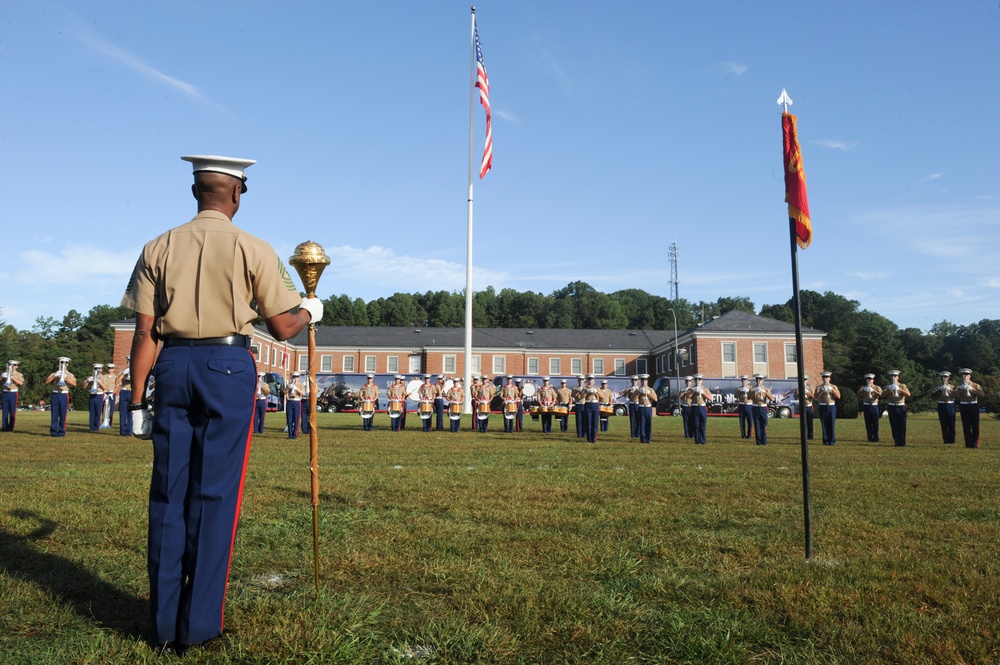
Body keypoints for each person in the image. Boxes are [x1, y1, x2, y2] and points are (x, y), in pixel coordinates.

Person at [121, 154, 321, 653]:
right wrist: (311, 307)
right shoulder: (254, 248)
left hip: (170, 366)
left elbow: (143, 333)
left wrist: (137, 400)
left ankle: (164, 627)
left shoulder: (157, 246)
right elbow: (282, 326)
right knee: (215, 498)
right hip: (227, 366)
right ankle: (200, 625)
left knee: (168, 495)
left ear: (195, 192)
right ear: (236, 194)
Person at [45, 357, 77, 436]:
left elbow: (74, 384)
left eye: (64, 363)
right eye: (61, 362)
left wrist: (66, 377)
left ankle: (62, 431)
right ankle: (53, 431)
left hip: (64, 394)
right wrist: (55, 375)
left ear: (67, 364)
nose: (63, 364)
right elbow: (46, 382)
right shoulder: (54, 373)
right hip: (55, 393)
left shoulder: (70, 374)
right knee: (54, 413)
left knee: (63, 414)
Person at [955, 368, 985, 448]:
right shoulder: (958, 385)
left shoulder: (975, 385)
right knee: (966, 425)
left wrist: (972, 390)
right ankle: (968, 443)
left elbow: (982, 394)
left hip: (973, 405)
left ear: (970, 376)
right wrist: (960, 389)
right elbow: (952, 396)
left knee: (975, 425)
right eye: (963, 375)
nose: (965, 376)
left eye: (966, 375)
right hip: (964, 405)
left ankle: (975, 443)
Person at [883, 370, 911, 447]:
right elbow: (882, 395)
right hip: (892, 406)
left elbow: (908, 394)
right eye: (891, 376)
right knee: (894, 424)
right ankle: (896, 441)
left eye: (895, 376)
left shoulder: (902, 385)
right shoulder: (887, 386)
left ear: (898, 377)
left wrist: (900, 389)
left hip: (901, 406)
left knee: (902, 424)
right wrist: (889, 389)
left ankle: (902, 442)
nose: (893, 377)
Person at [931, 371, 956, 444]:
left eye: (945, 377)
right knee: (943, 423)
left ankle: (952, 440)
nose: (944, 378)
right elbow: (933, 397)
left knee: (951, 423)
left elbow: (957, 396)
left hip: (950, 404)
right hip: (942, 405)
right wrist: (939, 391)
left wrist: (950, 391)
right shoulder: (938, 387)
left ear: (948, 378)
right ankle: (946, 440)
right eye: (942, 377)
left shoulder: (952, 387)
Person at [816, 371, 841, 445]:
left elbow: (838, 396)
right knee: (824, 424)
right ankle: (826, 440)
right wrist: (821, 391)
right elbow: (816, 397)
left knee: (832, 423)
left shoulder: (834, 386)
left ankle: (832, 440)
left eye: (827, 377)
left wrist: (832, 390)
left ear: (830, 378)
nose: (825, 379)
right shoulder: (819, 387)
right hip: (823, 406)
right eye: (824, 377)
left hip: (831, 406)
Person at [83, 363, 108, 433]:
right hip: (92, 395)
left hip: (99, 395)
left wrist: (99, 381)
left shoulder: (103, 377)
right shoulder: (91, 376)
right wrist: (87, 381)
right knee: (92, 412)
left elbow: (105, 387)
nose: (97, 370)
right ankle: (91, 427)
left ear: (101, 370)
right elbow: (84, 387)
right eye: (95, 368)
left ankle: (96, 427)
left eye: (98, 369)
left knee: (98, 412)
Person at [857, 373, 882, 443]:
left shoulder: (877, 387)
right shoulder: (863, 387)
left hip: (874, 405)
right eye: (868, 379)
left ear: (873, 380)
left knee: (875, 422)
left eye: (870, 379)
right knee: (868, 422)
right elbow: (858, 394)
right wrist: (863, 390)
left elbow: (881, 395)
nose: (869, 381)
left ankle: (876, 437)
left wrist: (874, 391)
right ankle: (869, 437)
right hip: (866, 405)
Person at [2, 360, 24, 432]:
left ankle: (10, 427)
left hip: (13, 392)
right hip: (5, 392)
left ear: (17, 366)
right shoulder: (4, 373)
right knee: (5, 411)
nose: (12, 366)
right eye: (10, 364)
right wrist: (2, 377)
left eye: (14, 365)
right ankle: (4, 426)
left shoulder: (19, 374)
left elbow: (20, 383)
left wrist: (12, 377)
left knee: (12, 411)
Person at [750, 374, 773, 445]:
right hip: (755, 407)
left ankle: (764, 440)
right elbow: (749, 397)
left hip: (763, 407)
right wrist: (754, 392)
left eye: (760, 379)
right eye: (757, 379)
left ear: (763, 381)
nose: (759, 381)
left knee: (764, 424)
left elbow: (771, 398)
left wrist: (765, 392)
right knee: (757, 425)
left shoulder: (766, 389)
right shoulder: (753, 389)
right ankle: (758, 441)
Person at [636, 374, 657, 444]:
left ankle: (648, 438)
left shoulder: (651, 389)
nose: (644, 382)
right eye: (642, 380)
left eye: (645, 380)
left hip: (648, 407)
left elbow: (656, 399)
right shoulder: (638, 389)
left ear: (647, 381)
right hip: (641, 407)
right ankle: (643, 439)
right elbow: (633, 398)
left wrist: (649, 394)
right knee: (642, 423)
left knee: (648, 423)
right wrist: (638, 393)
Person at [691, 374, 712, 444]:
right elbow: (688, 396)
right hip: (694, 407)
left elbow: (710, 398)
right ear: (694, 381)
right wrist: (693, 391)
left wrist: (703, 393)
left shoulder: (705, 389)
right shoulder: (692, 388)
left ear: (702, 381)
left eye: (699, 379)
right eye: (696, 380)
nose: (698, 381)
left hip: (702, 407)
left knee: (702, 424)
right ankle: (697, 440)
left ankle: (703, 440)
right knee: (696, 424)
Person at [115, 358, 133, 437]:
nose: (130, 362)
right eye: (128, 361)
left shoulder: (136, 370)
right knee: (123, 412)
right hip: (124, 391)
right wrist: (123, 374)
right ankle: (123, 431)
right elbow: (116, 381)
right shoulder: (123, 371)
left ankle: (129, 431)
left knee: (131, 412)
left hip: (132, 391)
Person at [582, 374, 600, 443]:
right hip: (588, 404)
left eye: (591, 379)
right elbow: (581, 397)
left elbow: (602, 396)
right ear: (587, 380)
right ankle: (589, 438)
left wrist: (596, 391)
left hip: (595, 404)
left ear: (593, 380)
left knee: (595, 422)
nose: (590, 380)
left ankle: (594, 439)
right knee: (588, 422)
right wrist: (587, 391)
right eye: (589, 379)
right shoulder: (585, 388)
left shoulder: (597, 387)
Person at [285, 372, 304, 439]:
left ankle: (295, 434)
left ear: (298, 378)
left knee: (296, 418)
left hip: (296, 401)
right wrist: (288, 388)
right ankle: (290, 434)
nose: (295, 379)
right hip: (290, 401)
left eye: (296, 377)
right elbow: (285, 392)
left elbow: (303, 393)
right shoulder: (289, 384)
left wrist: (296, 388)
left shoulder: (300, 385)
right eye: (294, 377)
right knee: (289, 419)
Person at [795, 375, 815, 440]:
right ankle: (804, 435)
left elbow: (814, 397)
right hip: (802, 406)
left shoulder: (810, 388)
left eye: (804, 380)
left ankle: (810, 436)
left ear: (806, 381)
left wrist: (807, 392)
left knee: (810, 422)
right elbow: (796, 397)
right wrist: (799, 393)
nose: (803, 382)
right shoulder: (798, 389)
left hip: (809, 406)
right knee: (803, 422)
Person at [734, 375, 753, 439]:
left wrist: (748, 391)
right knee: (742, 421)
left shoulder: (751, 388)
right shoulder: (739, 388)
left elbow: (753, 396)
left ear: (748, 380)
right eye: (743, 380)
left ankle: (749, 435)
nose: (744, 381)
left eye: (745, 380)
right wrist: (740, 391)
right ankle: (743, 435)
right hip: (742, 404)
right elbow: (735, 396)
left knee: (750, 421)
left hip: (749, 405)